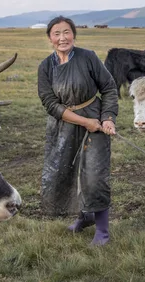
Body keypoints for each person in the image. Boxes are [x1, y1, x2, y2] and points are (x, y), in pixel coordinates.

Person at [37, 16, 118, 246]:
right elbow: (51, 104)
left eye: (66, 32)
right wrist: (84, 122)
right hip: (63, 125)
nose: (62, 38)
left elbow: (109, 88)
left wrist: (108, 118)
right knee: (66, 172)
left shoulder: (88, 57)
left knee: (94, 174)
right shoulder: (45, 67)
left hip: (96, 119)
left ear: (74, 34)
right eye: (56, 33)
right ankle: (84, 216)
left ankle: (102, 231)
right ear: (50, 38)